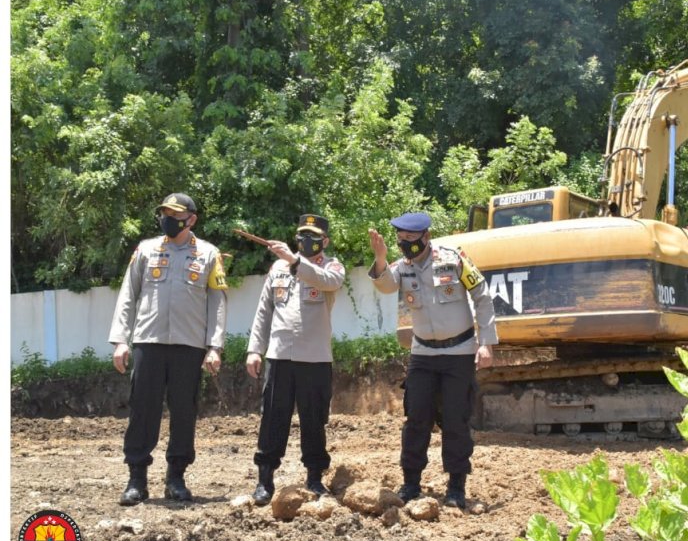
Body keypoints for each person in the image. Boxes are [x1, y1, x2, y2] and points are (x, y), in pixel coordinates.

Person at [368, 212, 498, 509]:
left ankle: (456, 486)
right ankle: (411, 482)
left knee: (455, 419)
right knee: (416, 418)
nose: (405, 246)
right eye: (400, 241)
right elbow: (385, 285)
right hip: (423, 354)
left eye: (410, 240)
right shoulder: (403, 267)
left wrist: (487, 342)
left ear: (426, 236)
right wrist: (380, 257)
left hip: (459, 351)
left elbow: (482, 294)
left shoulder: (453, 260)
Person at [109, 193, 228, 506]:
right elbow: (127, 295)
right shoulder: (146, 249)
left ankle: (176, 477)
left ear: (191, 219)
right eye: (164, 213)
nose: (168, 219)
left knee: (184, 411)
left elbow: (217, 302)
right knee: (142, 409)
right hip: (149, 342)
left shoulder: (209, 253)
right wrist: (121, 340)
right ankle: (137, 480)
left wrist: (214, 346)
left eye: (175, 214)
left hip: (189, 346)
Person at [246, 214, 345, 506]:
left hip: (314, 359)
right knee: (273, 417)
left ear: (324, 241)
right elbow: (264, 311)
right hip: (279, 356)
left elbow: (329, 282)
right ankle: (265, 479)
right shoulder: (278, 269)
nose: (306, 240)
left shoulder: (331, 266)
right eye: (302, 234)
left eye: (313, 236)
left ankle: (314, 477)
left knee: (313, 419)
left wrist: (295, 262)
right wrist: (255, 349)